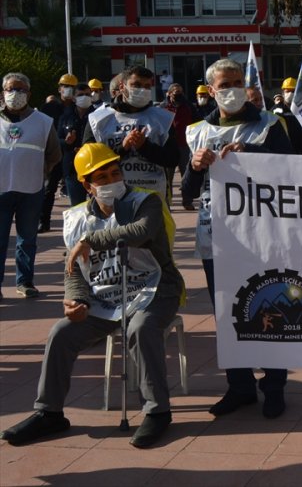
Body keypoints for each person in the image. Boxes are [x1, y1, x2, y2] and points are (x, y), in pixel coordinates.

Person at [1, 143, 183, 448]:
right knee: (61, 333)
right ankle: (49, 413)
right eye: (102, 177)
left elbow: (142, 232)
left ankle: (157, 411)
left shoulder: (144, 201)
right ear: (86, 184)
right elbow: (73, 270)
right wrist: (77, 300)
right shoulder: (75, 218)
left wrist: (91, 241)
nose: (113, 180)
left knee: (140, 328)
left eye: (116, 171)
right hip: (107, 297)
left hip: (155, 289)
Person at [181, 58, 293, 419]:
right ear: (210, 90)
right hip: (217, 237)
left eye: (235, 82)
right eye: (222, 85)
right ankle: (240, 385)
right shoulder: (197, 131)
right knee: (227, 313)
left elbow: (292, 172)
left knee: (270, 306)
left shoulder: (269, 125)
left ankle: (274, 386)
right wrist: (196, 166)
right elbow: (186, 193)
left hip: (263, 236)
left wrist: (254, 156)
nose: (229, 90)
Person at [1, 73, 61, 298]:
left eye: (21, 90)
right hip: (1, 190)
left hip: (31, 189)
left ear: (29, 94)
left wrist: (40, 172)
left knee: (27, 240)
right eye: (10, 89)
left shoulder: (43, 122)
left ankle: (25, 282)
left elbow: (54, 154)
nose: (15, 94)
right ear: (2, 93)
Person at [83, 65, 179, 202]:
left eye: (147, 86)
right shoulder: (98, 119)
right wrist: (122, 148)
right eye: (136, 85)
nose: (142, 90)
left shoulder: (163, 118)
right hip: (111, 197)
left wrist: (145, 146)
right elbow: (89, 161)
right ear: (122, 87)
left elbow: (173, 159)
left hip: (152, 196)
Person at [39, 73, 78, 232]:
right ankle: (44, 221)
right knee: (49, 189)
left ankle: (77, 224)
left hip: (73, 154)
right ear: (59, 88)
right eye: (65, 86)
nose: (68, 90)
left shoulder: (77, 108)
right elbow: (45, 132)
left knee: (76, 189)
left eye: (71, 87)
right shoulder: (49, 108)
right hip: (54, 154)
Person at [57, 83, 96, 206]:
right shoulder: (65, 117)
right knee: (77, 206)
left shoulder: (98, 116)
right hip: (72, 168)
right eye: (81, 95)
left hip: (94, 168)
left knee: (98, 205)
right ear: (74, 98)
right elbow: (58, 140)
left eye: (88, 94)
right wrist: (67, 142)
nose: (85, 97)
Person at [160, 84, 194, 210]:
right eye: (175, 93)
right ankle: (167, 203)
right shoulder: (162, 108)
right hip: (168, 146)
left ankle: (187, 201)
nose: (178, 95)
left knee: (186, 175)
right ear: (169, 94)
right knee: (168, 177)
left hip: (184, 145)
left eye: (180, 92)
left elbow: (197, 121)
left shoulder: (188, 106)